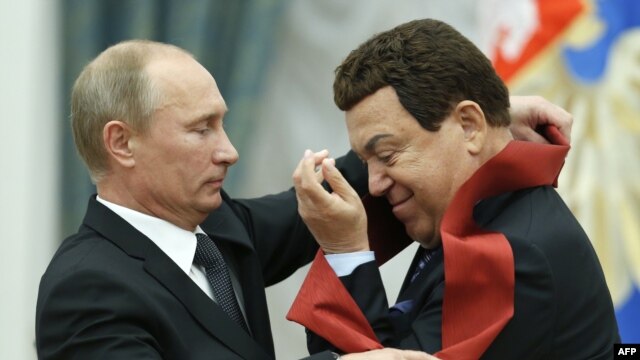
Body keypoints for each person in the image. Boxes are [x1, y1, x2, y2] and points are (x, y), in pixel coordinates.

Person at [36, 39, 571, 360]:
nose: (230, 152)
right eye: (201, 130)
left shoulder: (219, 228)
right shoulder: (86, 288)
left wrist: (466, 121)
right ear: (121, 143)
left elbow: (332, 187)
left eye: (223, 123)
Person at [287, 19, 619, 359]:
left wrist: (348, 252)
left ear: (470, 126)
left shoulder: (511, 254)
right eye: (365, 161)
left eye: (386, 154)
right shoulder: (482, 211)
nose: (373, 184)